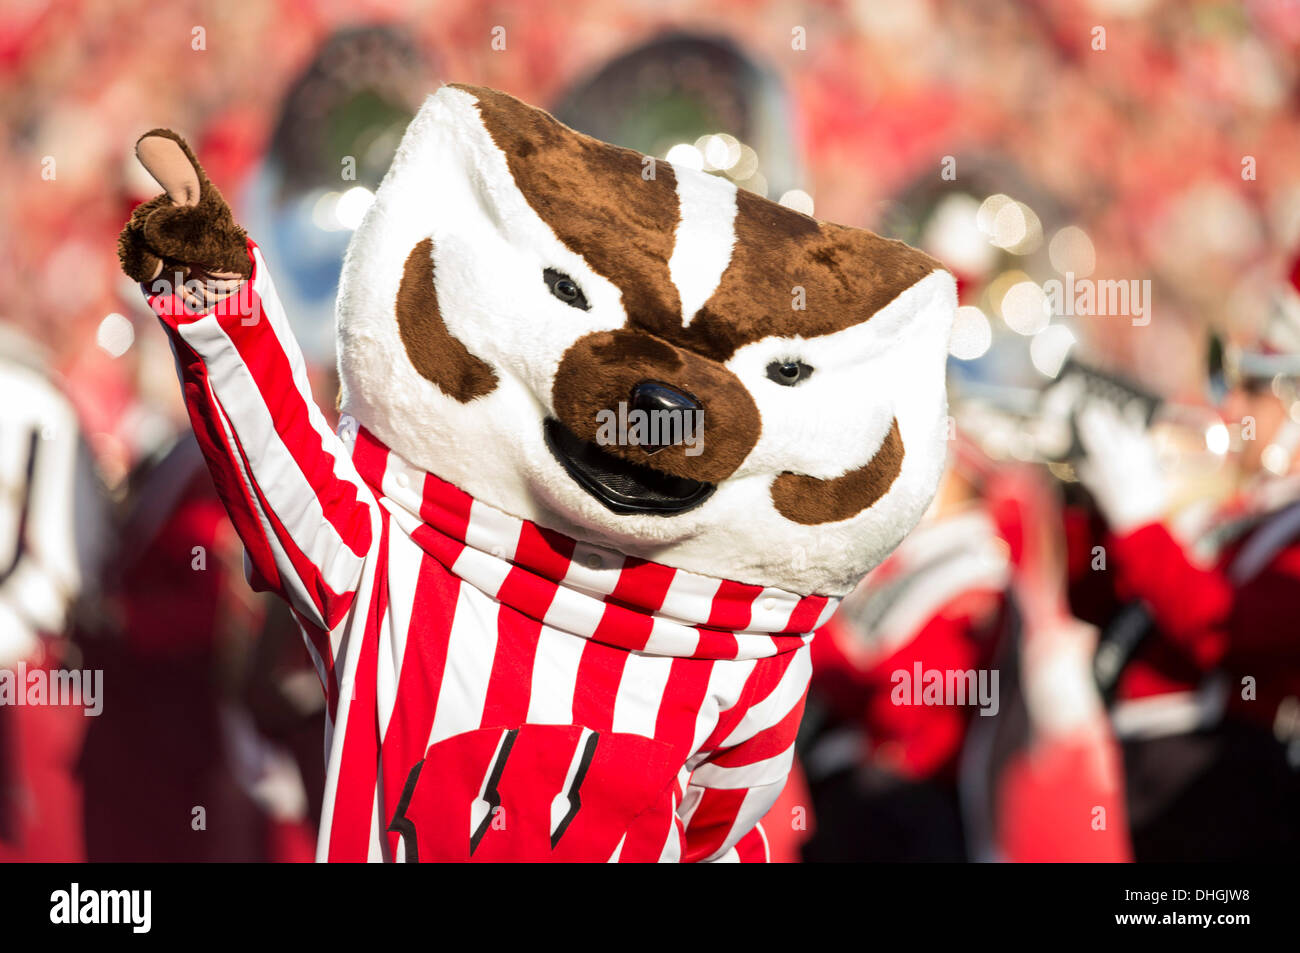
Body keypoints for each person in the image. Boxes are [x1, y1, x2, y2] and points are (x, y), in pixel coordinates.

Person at [1074, 259, 1300, 860]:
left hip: (1222, 783)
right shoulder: (1237, 513)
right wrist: (1086, 503)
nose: (1230, 411)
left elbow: (1226, 634)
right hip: (1149, 773)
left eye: (1253, 388)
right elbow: (1096, 603)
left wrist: (1142, 525)